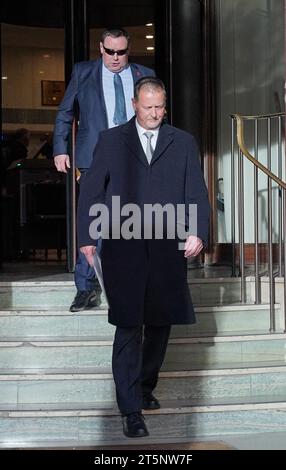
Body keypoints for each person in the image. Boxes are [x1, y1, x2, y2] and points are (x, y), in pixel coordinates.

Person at [77, 77, 210, 438]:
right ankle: (130, 409)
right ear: (135, 104)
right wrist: (87, 236)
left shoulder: (182, 142)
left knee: (161, 322)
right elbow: (91, 190)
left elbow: (195, 189)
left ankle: (145, 385)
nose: (154, 113)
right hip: (123, 242)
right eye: (148, 106)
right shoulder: (111, 140)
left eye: (160, 107)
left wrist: (198, 230)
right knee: (128, 323)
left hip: (168, 242)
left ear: (165, 106)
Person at [53, 27, 155, 313]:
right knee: (92, 220)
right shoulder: (84, 72)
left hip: (134, 158)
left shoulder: (142, 74)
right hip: (94, 156)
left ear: (128, 50)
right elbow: (65, 113)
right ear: (101, 48)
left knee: (134, 220)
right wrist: (61, 149)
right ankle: (86, 288)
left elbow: (155, 113)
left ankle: (133, 281)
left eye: (121, 52)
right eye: (110, 51)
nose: (115, 57)